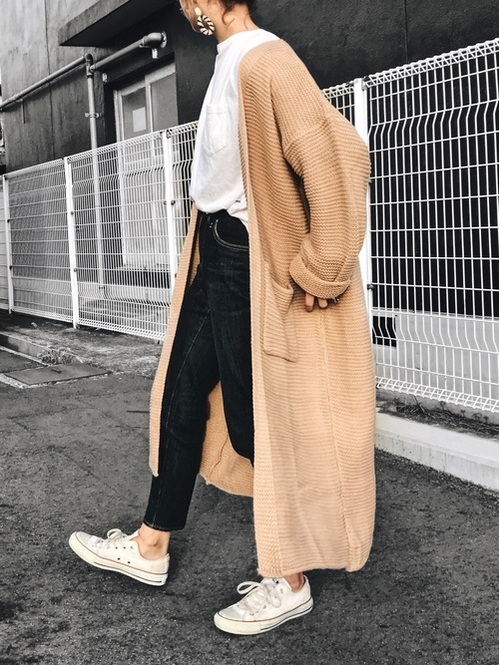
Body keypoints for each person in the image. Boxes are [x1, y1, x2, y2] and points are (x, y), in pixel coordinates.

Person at [69, 0, 376, 636]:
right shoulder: (232, 59)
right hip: (216, 247)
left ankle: (290, 578)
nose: (184, 4)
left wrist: (322, 267)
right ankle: (151, 545)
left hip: (244, 257)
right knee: (182, 394)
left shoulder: (267, 60)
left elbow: (335, 154)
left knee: (252, 420)